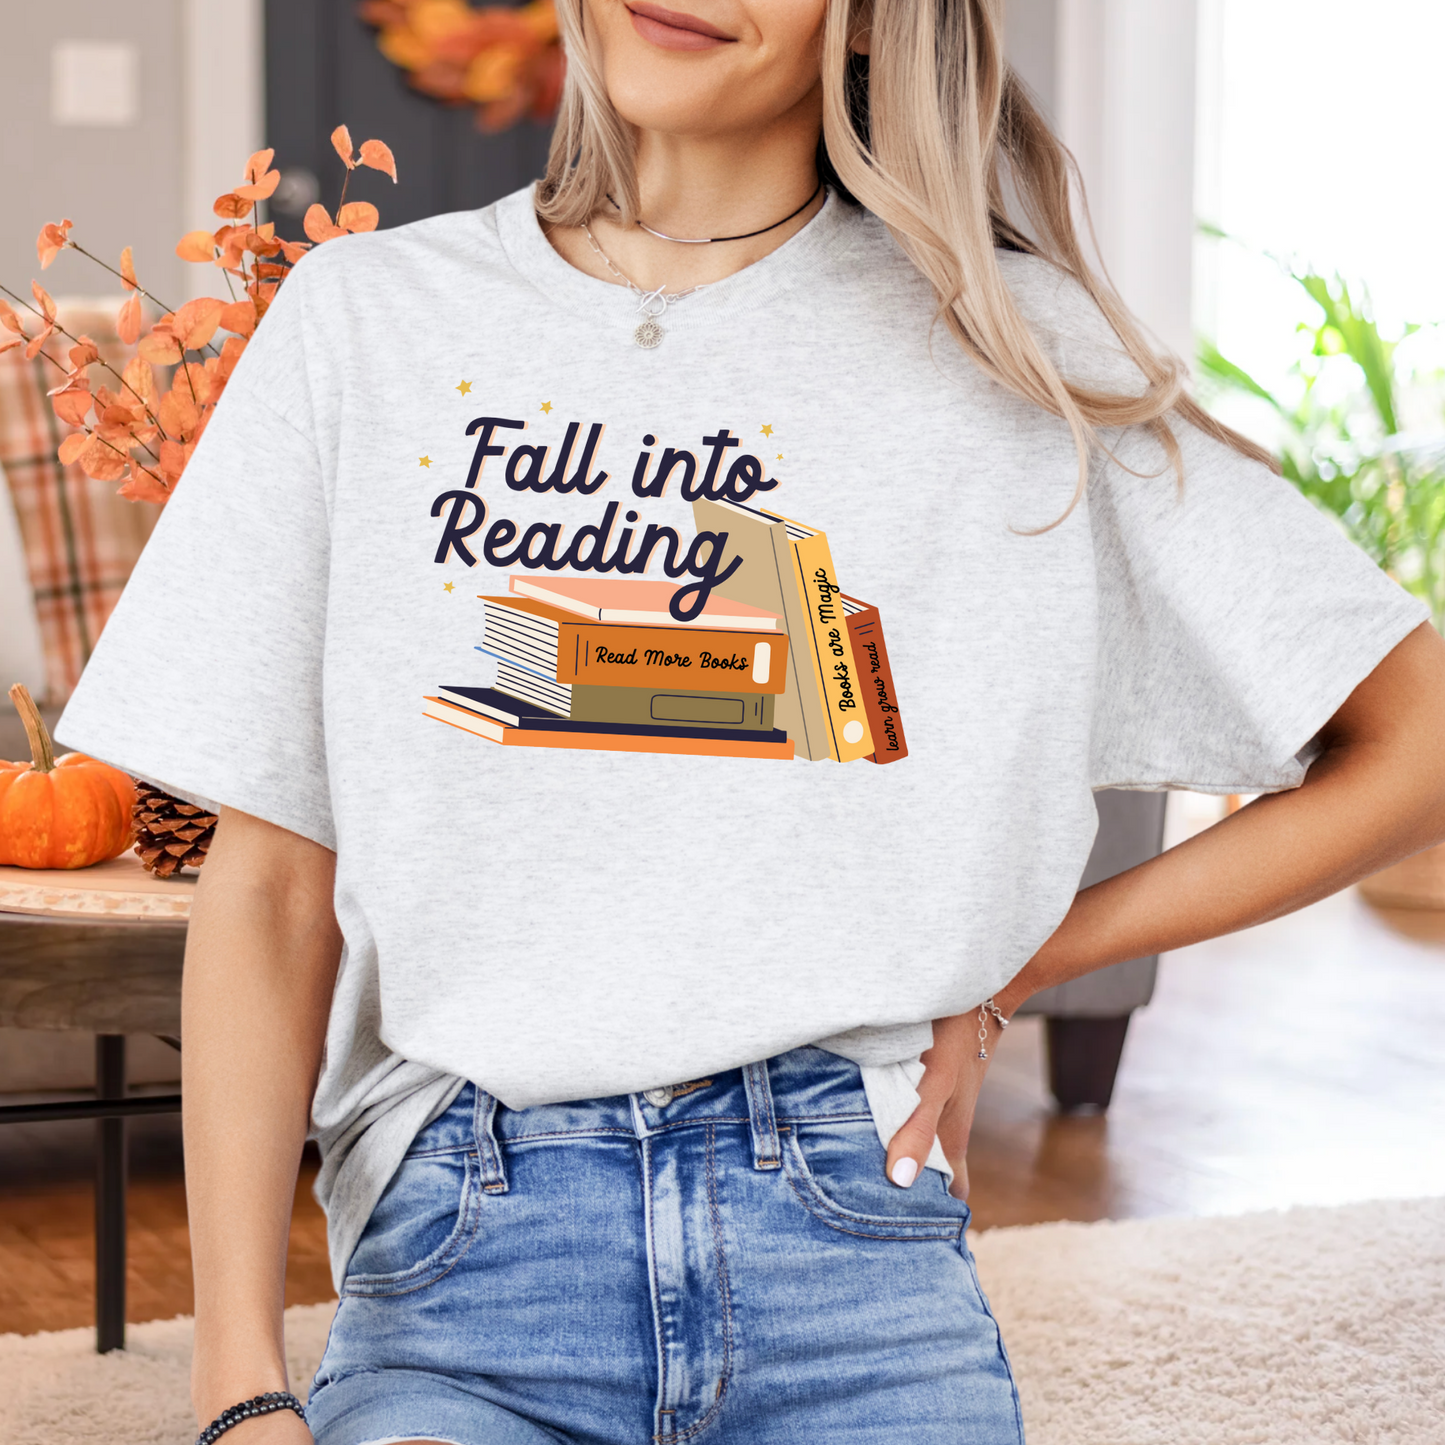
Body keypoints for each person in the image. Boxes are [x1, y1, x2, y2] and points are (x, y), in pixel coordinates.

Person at [56, 1, 1445, 1442]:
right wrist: (240, 1395)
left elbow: (1417, 747)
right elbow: (273, 889)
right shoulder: (366, 321)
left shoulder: (1008, 350)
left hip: (851, 1236)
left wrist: (1021, 966)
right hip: (473, 1255)